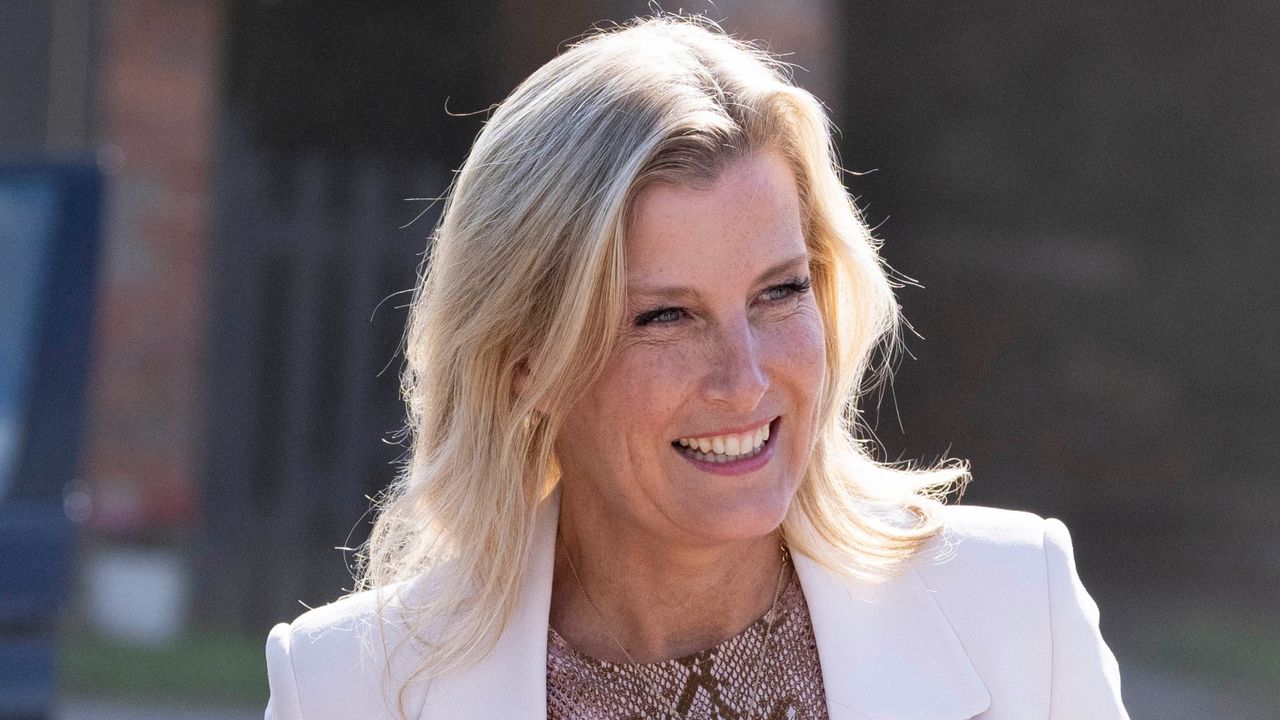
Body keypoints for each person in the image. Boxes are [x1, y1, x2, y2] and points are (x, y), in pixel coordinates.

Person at [263, 16, 1129, 720]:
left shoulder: (1019, 610)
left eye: (779, 293)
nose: (745, 379)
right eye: (665, 316)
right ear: (523, 361)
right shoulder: (348, 691)